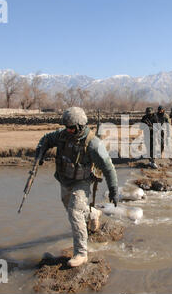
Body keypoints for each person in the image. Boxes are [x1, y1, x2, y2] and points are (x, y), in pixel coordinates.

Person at [34, 107, 118, 267]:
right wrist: (40, 152)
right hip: (64, 179)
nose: (68, 130)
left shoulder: (93, 143)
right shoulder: (62, 135)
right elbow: (46, 139)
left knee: (74, 211)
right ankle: (94, 213)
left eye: (71, 127)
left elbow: (108, 167)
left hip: (82, 181)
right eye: (67, 127)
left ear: (80, 126)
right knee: (72, 208)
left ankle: (81, 253)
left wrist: (113, 190)